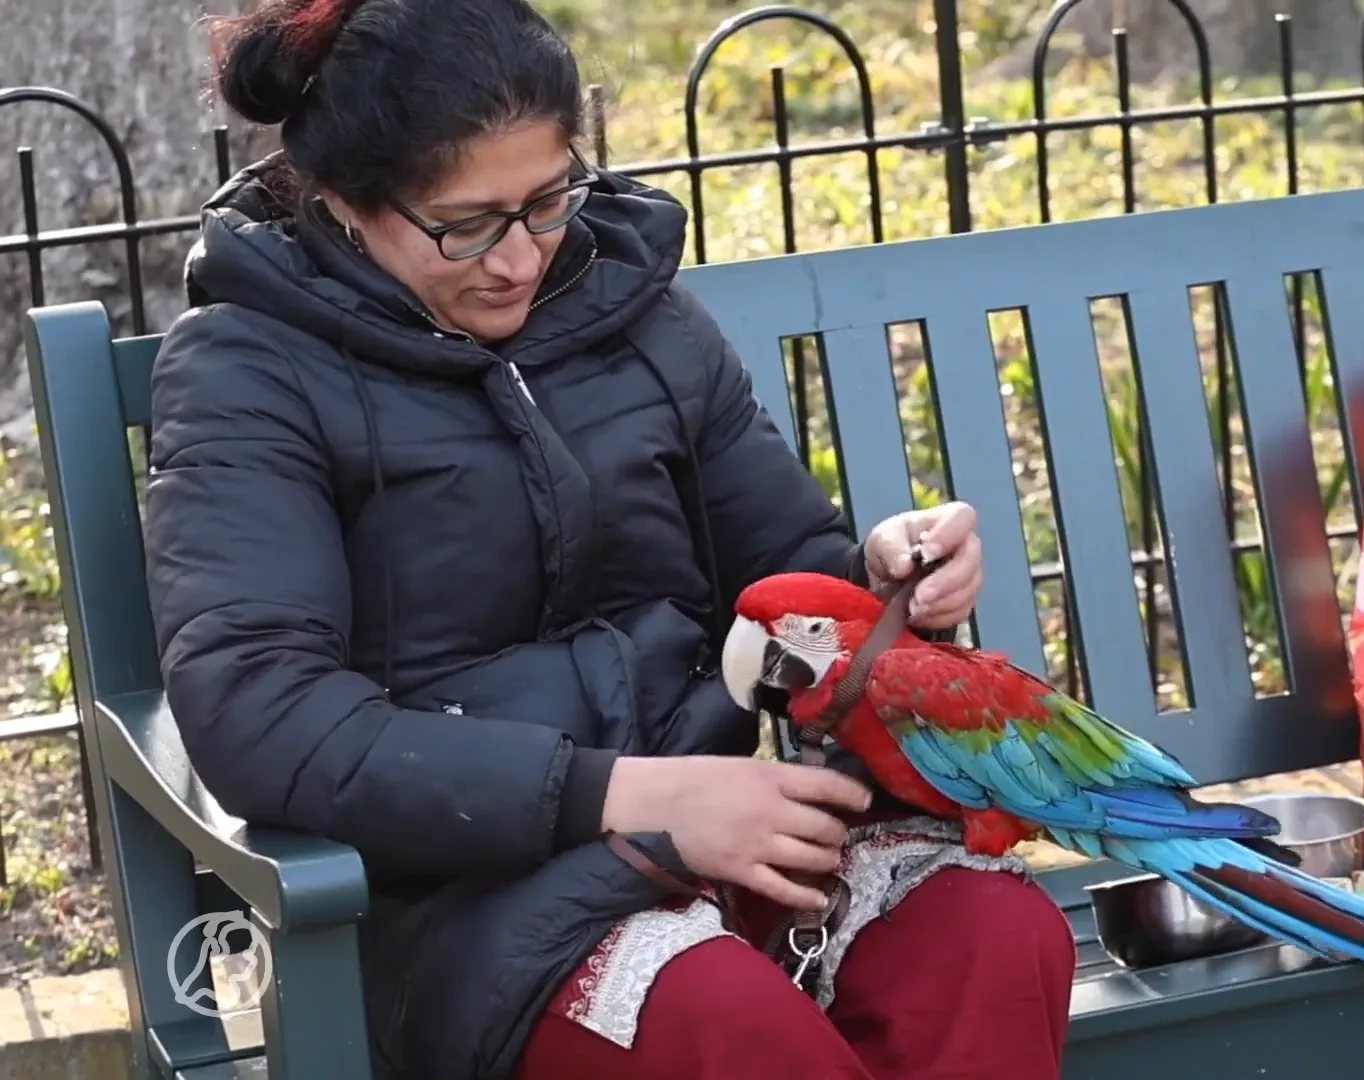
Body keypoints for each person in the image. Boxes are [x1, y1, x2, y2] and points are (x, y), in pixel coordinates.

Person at [143, 0, 1077, 1077]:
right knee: (720, 1021)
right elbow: (263, 713)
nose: (520, 258)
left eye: (547, 200)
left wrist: (883, 581)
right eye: (467, 223)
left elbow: (790, 574)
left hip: (730, 844)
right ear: (349, 203)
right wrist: (631, 797)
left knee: (992, 940)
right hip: (463, 905)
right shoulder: (250, 374)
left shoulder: (637, 317)